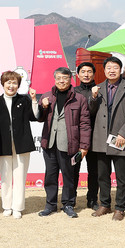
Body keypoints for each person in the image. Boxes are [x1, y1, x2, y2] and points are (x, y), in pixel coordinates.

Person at [88, 56, 125, 221]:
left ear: (120, 70)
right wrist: (93, 98)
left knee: (121, 177)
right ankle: (104, 204)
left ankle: (120, 207)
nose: (112, 71)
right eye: (109, 68)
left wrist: (123, 133)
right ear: (104, 70)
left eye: (115, 67)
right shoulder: (98, 88)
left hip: (120, 139)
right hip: (101, 139)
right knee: (102, 175)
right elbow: (91, 112)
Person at [37, 66, 91, 219]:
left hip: (69, 144)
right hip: (50, 143)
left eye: (65, 78)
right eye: (59, 78)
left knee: (69, 176)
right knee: (50, 176)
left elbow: (85, 124)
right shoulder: (46, 96)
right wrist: (43, 107)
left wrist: (84, 146)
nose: (62, 81)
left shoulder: (79, 99)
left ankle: (68, 204)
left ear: (70, 79)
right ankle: (50, 204)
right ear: (55, 79)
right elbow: (39, 118)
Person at [0, 71, 39, 218]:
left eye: (14, 83)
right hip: (2, 143)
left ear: (18, 85)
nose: (11, 86)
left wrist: (34, 100)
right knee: (5, 177)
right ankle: (7, 206)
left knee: (20, 177)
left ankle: (18, 207)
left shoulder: (24, 100)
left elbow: (34, 117)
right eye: (8, 82)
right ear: (3, 84)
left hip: (22, 143)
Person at [74, 62, 100, 210]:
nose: (86, 74)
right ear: (78, 74)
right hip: (77, 138)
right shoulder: (73, 91)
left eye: (89, 71)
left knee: (94, 171)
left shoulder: (100, 90)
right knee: (73, 170)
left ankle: (92, 200)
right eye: (83, 71)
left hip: (95, 137)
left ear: (94, 74)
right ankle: (71, 200)